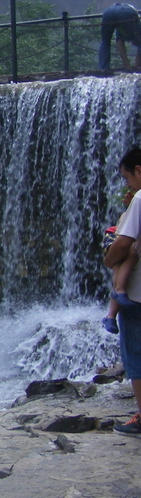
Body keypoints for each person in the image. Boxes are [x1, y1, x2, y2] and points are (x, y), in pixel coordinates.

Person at [103, 146, 141, 435]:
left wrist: (108, 259)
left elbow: (123, 242)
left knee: (136, 356)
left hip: (137, 295)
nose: (127, 184)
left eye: (127, 177)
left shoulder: (140, 198)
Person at [102, 188, 137, 333]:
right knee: (128, 256)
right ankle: (119, 290)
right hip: (114, 238)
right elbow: (123, 234)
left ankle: (111, 316)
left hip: (117, 240)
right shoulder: (127, 215)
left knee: (119, 265)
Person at [98, 3, 141, 71]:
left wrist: (127, 66)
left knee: (105, 41)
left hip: (108, 11)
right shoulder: (137, 27)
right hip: (126, 12)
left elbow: (119, 43)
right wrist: (136, 68)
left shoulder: (120, 31)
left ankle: (103, 69)